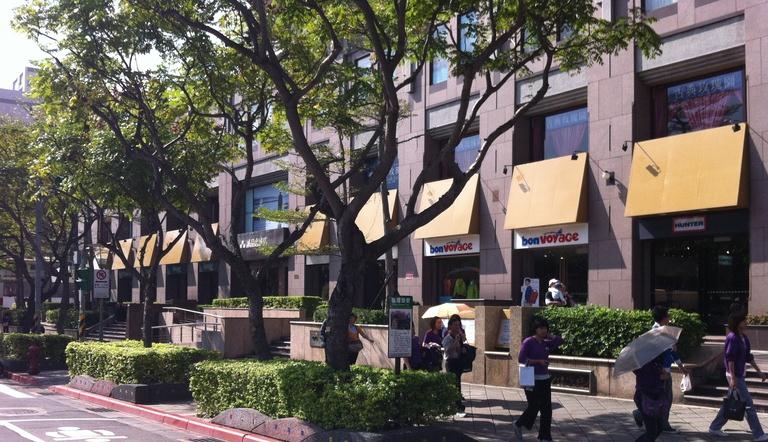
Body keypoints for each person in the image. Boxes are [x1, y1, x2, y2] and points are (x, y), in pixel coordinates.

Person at [709, 311, 768, 440]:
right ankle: (758, 434)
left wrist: (759, 372)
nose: (746, 323)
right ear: (737, 323)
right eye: (743, 321)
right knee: (748, 405)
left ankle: (714, 427)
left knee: (730, 402)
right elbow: (730, 359)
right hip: (734, 375)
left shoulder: (744, 337)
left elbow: (748, 357)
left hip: (739, 374)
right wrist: (733, 378)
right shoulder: (732, 337)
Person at [632, 306, 690, 433]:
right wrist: (665, 370)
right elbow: (662, 353)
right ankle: (660, 423)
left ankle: (645, 417)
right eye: (668, 316)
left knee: (662, 398)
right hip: (660, 372)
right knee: (665, 398)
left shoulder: (665, 332)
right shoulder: (657, 333)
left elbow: (672, 352)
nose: (669, 318)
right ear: (663, 318)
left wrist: (681, 367)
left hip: (663, 371)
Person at [514, 318, 563, 442]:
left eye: (545, 328)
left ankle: (544, 437)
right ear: (535, 329)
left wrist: (550, 336)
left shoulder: (546, 343)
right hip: (531, 378)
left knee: (547, 409)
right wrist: (538, 361)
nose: (544, 330)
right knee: (534, 406)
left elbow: (560, 341)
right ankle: (518, 424)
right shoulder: (528, 341)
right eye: (541, 328)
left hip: (545, 378)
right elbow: (521, 359)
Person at [633, 353, 668, 441]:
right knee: (652, 431)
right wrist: (661, 377)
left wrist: (662, 373)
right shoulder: (644, 362)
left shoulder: (655, 361)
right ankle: (639, 414)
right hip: (645, 398)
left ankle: (639, 414)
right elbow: (646, 380)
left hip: (656, 397)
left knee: (660, 426)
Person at [442, 316, 467, 415]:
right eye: (455, 325)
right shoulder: (447, 338)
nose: (457, 327)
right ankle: (455, 405)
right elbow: (447, 350)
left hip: (458, 362)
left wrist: (462, 346)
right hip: (450, 362)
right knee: (453, 384)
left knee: (457, 384)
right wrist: (456, 341)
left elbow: (464, 343)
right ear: (450, 326)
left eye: (458, 325)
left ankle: (456, 404)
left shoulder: (459, 336)